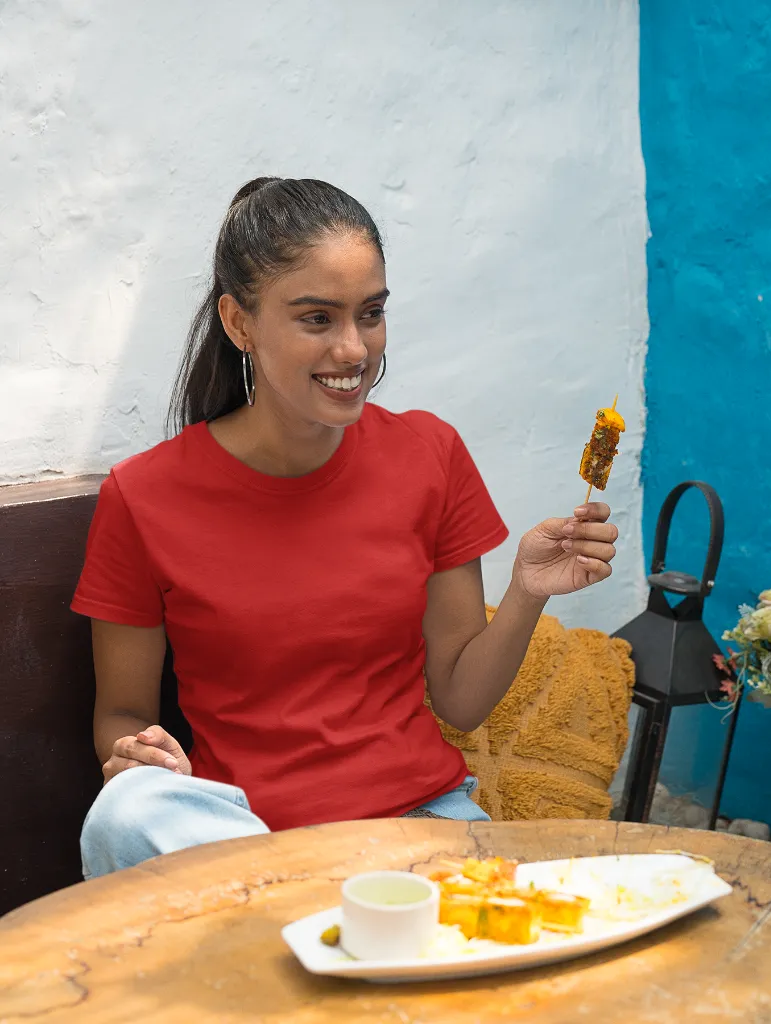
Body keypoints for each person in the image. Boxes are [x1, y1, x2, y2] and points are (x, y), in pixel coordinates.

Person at [73, 177, 618, 880]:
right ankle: (301, 917)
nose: (355, 349)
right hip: (245, 845)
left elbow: (460, 700)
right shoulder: (144, 496)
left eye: (371, 313)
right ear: (239, 323)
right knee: (124, 813)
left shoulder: (430, 454)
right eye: (317, 319)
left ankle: (316, 929)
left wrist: (526, 591)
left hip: (417, 830)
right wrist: (138, 759)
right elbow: (121, 716)